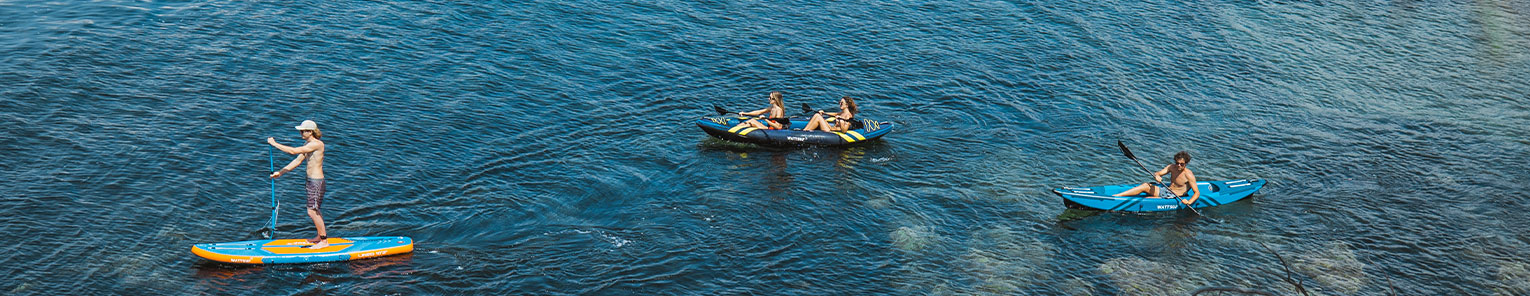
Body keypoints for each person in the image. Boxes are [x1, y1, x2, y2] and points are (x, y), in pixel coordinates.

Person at [267, 120, 330, 249]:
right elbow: (297, 160)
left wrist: (274, 144)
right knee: (314, 210)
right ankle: (320, 236)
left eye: (302, 131)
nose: (300, 133)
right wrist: (281, 172)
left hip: (317, 182)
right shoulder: (308, 144)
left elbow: (293, 151)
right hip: (310, 181)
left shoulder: (317, 144)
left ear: (310, 132)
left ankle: (324, 241)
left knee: (312, 211)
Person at [1114, 151, 1200, 205]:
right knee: (1145, 185)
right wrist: (1157, 176)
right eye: (1177, 163)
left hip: (1174, 196)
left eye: (1182, 164)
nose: (1179, 165)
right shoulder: (1172, 167)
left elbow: (1197, 193)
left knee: (1146, 200)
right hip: (1166, 190)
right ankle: (1117, 196)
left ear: (1186, 163)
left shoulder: (1189, 175)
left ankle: (1125, 204)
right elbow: (1158, 173)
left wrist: (1189, 202)